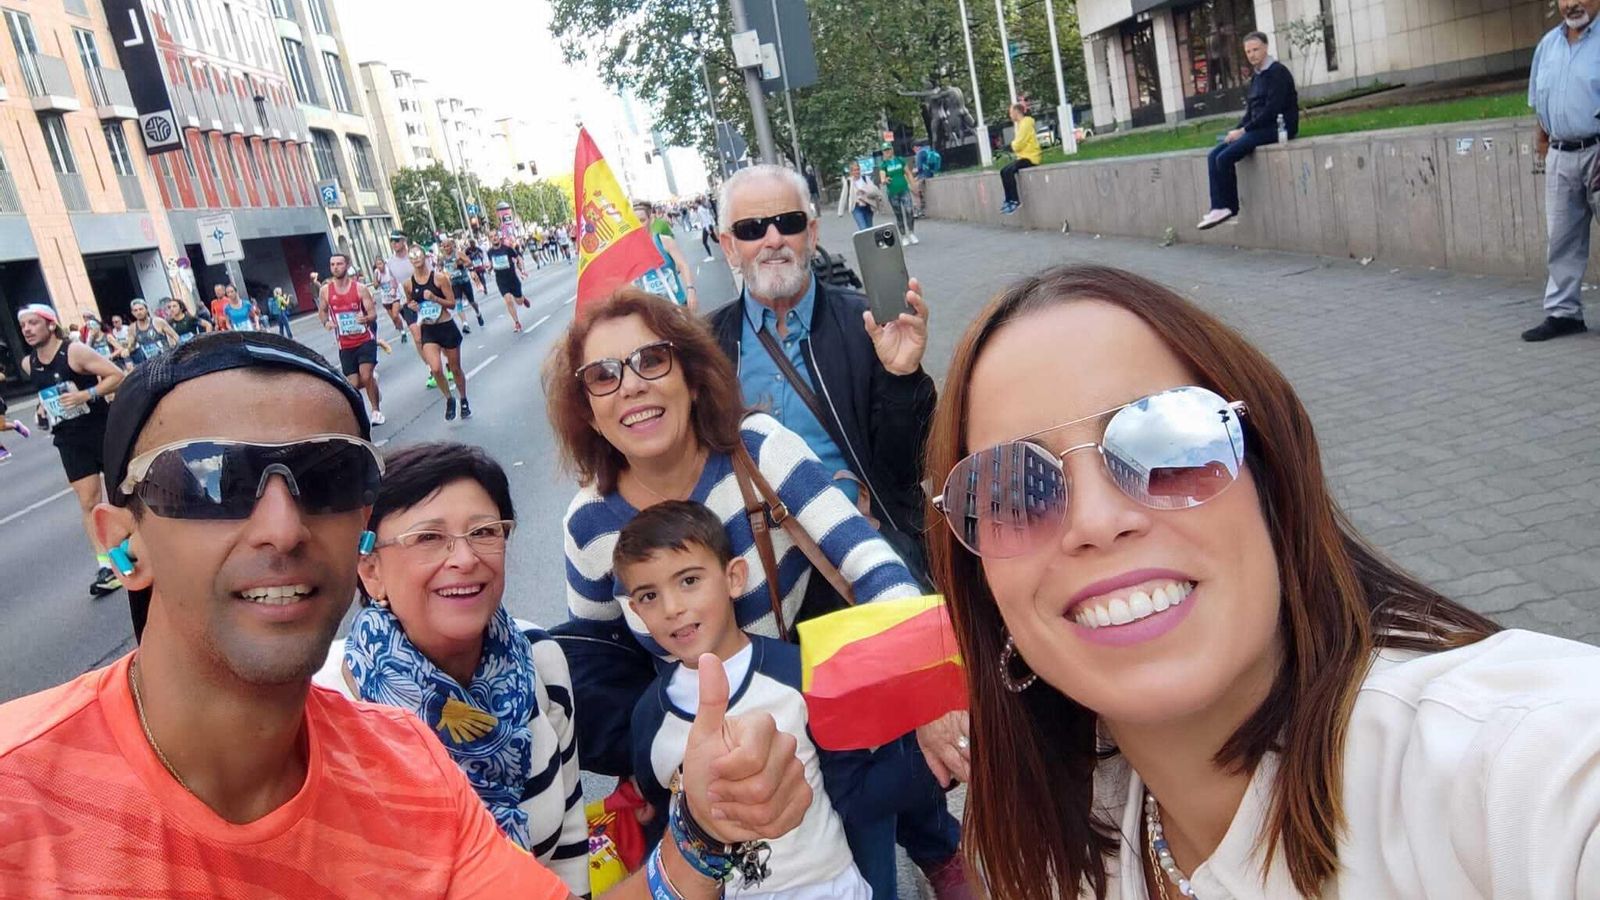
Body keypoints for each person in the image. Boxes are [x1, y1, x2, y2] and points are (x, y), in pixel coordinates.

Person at [0, 330, 815, 898]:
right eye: (210, 478)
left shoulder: (408, 769)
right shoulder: (21, 799)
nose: (281, 528)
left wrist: (704, 829)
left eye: (327, 477)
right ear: (122, 546)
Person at [923, 264, 1600, 899]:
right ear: (983, 587)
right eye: (1014, 490)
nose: (1096, 522)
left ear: (1272, 483)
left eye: (1168, 445)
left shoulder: (1509, 766)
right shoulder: (1066, 839)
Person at [312, 442, 588, 893]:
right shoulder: (323, 706)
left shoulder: (540, 658)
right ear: (371, 570)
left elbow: (570, 848)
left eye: (484, 532)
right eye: (428, 538)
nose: (464, 558)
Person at [623, 500, 921, 899]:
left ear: (734, 577)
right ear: (635, 612)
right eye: (648, 596)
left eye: (689, 580)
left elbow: (856, 795)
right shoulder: (649, 719)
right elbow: (666, 826)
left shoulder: (799, 674)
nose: (672, 608)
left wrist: (930, 761)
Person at [16, 303, 126, 596]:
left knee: (121, 492)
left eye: (32, 323)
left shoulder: (74, 351)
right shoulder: (30, 363)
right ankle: (107, 565)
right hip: (68, 438)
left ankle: (139, 545)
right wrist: (42, 412)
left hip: (100, 429)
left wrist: (85, 395)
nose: (26, 329)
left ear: (50, 324)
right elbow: (47, 397)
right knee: (89, 502)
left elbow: (117, 375)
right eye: (23, 325)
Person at [1522, 0, 1600, 341]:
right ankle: (1563, 313)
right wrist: (1543, 148)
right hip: (1559, 154)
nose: (1572, 4)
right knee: (1562, 239)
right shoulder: (1547, 45)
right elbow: (1540, 102)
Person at [1196, 32, 1298, 230]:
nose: (1252, 55)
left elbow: (1271, 110)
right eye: (1248, 51)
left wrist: (1243, 131)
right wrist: (1235, 131)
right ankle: (1217, 207)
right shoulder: (1256, 78)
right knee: (1214, 155)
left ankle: (1228, 207)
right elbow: (1250, 112)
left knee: (1224, 158)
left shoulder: (1278, 73)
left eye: (1256, 49)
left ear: (1266, 47)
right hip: (1258, 128)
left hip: (1278, 127)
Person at [318, 252, 385, 426]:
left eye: (339, 264)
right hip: (345, 344)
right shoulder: (326, 290)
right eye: (332, 264)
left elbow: (373, 314)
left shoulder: (360, 288)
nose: (335, 267)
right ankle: (373, 385)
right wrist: (326, 323)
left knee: (366, 374)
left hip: (364, 339)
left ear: (347, 266)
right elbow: (323, 311)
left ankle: (376, 411)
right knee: (354, 383)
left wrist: (366, 318)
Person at [405, 246, 471, 421]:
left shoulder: (439, 278)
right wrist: (412, 307)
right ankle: (449, 399)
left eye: (418, 255)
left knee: (455, 368)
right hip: (428, 329)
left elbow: (451, 303)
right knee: (435, 368)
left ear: (425, 257)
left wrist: (435, 298)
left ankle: (463, 399)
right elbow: (410, 302)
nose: (416, 258)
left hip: (446, 325)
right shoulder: (409, 284)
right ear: (410, 261)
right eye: (412, 257)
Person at [633, 200, 698, 312]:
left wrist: (690, 289)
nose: (639, 225)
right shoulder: (631, 251)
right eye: (634, 222)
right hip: (651, 312)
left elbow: (682, 265)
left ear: (651, 220)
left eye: (642, 220)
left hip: (676, 305)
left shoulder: (664, 241)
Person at [999, 102, 1042, 215]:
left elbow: (1019, 144)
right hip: (1023, 157)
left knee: (1010, 171)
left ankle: (1015, 201)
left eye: (1010, 112)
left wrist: (1012, 145)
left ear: (1016, 112)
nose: (1010, 115)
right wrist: (1014, 146)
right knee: (1003, 171)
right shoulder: (1021, 124)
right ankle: (1008, 200)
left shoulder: (1026, 123)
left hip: (1031, 158)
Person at [487, 234, 531, 333]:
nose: (494, 238)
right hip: (501, 280)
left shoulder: (507, 249)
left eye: (495, 236)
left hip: (512, 278)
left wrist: (522, 270)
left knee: (518, 301)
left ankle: (522, 298)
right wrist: (489, 268)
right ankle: (517, 323)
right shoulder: (489, 252)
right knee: (508, 300)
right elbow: (491, 263)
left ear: (499, 238)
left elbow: (518, 258)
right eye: (491, 237)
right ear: (490, 240)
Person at [441, 235, 486, 333]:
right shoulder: (443, 258)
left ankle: (478, 313)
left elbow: (469, 263)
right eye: (444, 247)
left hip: (464, 280)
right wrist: (445, 275)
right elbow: (442, 271)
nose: (446, 248)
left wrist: (460, 264)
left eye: (448, 246)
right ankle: (465, 324)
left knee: (472, 302)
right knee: (458, 302)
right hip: (454, 283)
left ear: (451, 246)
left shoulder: (458, 254)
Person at [878, 144, 919, 245]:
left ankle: (911, 233)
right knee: (899, 214)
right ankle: (903, 236)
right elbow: (882, 178)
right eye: (885, 150)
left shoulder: (900, 160)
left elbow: (908, 173)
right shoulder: (883, 164)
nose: (887, 152)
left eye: (888, 149)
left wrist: (914, 186)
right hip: (893, 193)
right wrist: (885, 180)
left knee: (909, 210)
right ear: (883, 152)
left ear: (892, 150)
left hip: (904, 189)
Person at [123, 299, 180, 365]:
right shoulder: (132, 328)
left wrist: (178, 352)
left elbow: (175, 336)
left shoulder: (158, 322)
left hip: (167, 360)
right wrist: (127, 350)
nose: (138, 312)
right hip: (150, 363)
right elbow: (131, 346)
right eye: (135, 310)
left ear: (146, 309)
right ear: (132, 313)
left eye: (141, 309)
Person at [847, 160, 879, 231]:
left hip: (868, 205)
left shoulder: (865, 179)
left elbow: (874, 190)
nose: (856, 172)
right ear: (851, 172)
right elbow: (843, 196)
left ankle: (870, 241)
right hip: (856, 207)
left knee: (869, 228)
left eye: (858, 169)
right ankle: (865, 240)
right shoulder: (849, 182)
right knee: (863, 228)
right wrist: (840, 211)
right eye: (854, 170)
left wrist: (864, 191)